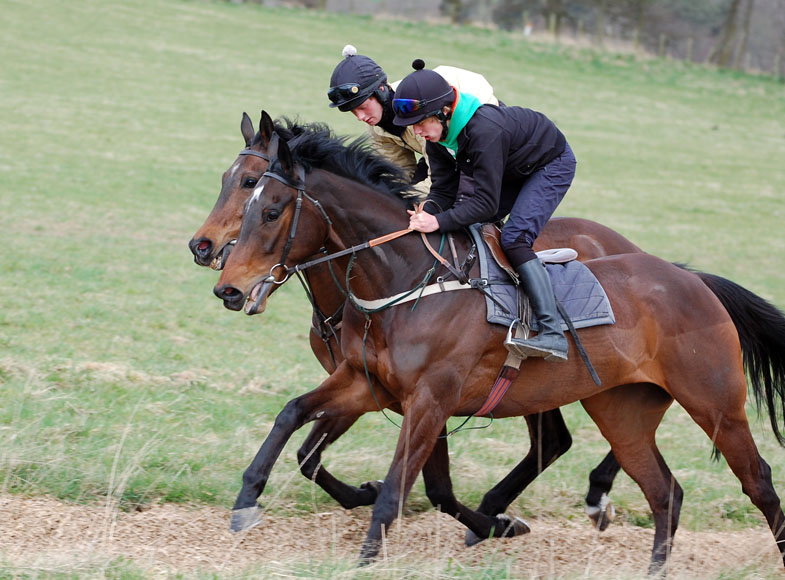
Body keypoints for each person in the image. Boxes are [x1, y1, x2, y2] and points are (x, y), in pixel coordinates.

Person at [392, 59, 576, 362]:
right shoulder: (438, 138)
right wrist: (425, 213)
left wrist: (438, 222)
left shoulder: (484, 131)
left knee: (514, 238)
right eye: (413, 126)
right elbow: (443, 191)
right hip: (516, 165)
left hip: (549, 164)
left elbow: (487, 203)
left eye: (421, 122)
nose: (417, 131)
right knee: (471, 222)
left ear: (445, 112)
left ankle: (553, 333)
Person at [327, 45, 499, 199]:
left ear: (381, 90)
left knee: (460, 203)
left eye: (363, 106)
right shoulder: (376, 129)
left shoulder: (420, 113)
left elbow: (439, 183)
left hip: (480, 140)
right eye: (353, 111)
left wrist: (400, 199)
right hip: (438, 152)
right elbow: (398, 175)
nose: (360, 117)